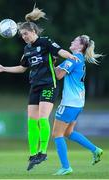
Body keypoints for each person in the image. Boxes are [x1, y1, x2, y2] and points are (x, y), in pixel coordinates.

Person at [0, 7, 78, 171]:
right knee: (31, 122)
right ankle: (33, 154)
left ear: (32, 31)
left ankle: (43, 152)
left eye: (25, 34)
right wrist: (4, 68)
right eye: (22, 35)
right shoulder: (27, 49)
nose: (24, 37)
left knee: (43, 118)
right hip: (35, 87)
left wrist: (70, 56)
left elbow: (60, 51)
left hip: (48, 85)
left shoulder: (45, 42)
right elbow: (22, 68)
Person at [52, 35, 103, 175]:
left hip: (70, 102)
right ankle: (95, 150)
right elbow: (57, 70)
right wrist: (53, 64)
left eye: (74, 41)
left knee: (57, 133)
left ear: (80, 46)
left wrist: (48, 63)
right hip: (78, 102)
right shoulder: (77, 59)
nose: (71, 41)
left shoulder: (73, 59)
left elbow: (58, 75)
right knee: (68, 132)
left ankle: (66, 167)